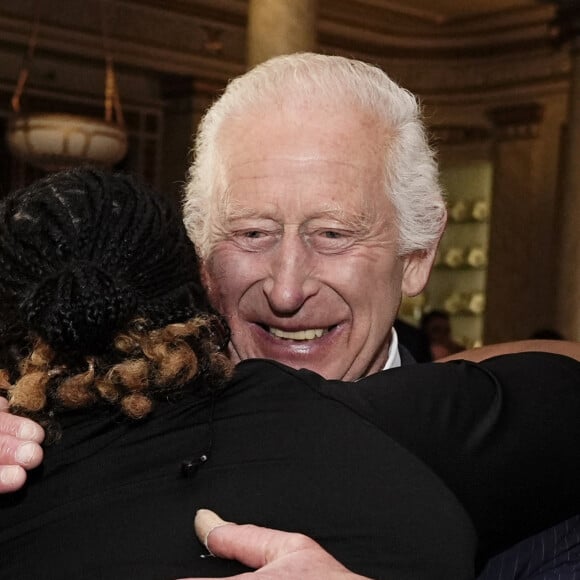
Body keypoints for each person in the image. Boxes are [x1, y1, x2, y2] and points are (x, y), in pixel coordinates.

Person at [0, 53, 578, 578]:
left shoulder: (546, 501)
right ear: (200, 257)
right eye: (253, 234)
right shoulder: (72, 444)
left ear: (417, 257)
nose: (286, 288)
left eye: (333, 234)